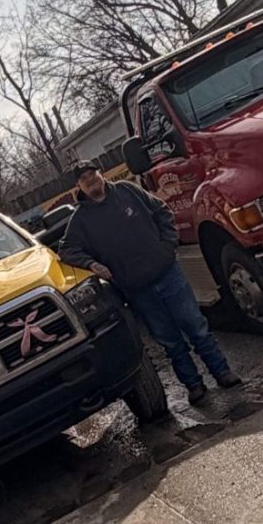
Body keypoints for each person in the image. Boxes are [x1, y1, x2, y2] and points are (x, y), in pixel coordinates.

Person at [59, 163, 241, 405]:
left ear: (100, 173)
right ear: (78, 186)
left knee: (196, 325)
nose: (91, 180)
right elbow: (66, 250)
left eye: (93, 174)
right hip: (137, 289)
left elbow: (161, 210)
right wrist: (91, 264)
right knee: (170, 341)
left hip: (168, 273)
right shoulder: (80, 221)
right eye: (84, 178)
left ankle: (222, 372)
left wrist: (169, 245)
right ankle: (194, 385)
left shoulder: (127, 191)